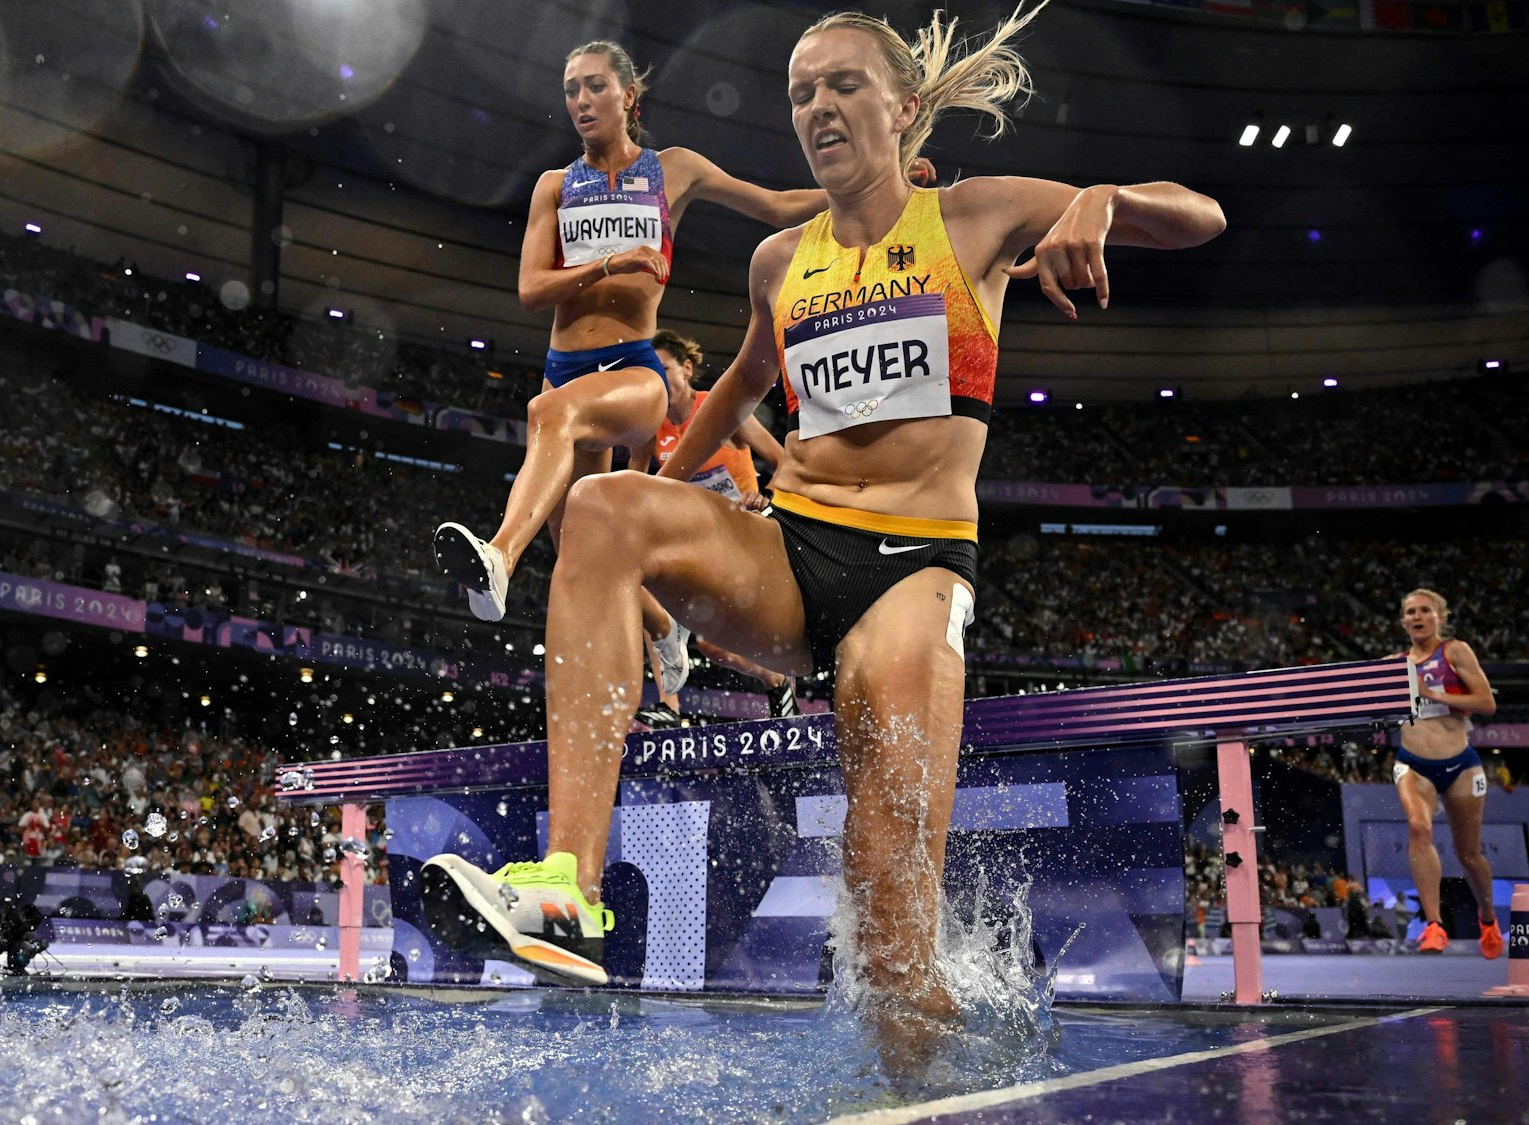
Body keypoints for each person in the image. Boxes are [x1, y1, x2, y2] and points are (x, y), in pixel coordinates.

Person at [421, 2, 1224, 1066]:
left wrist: (1095, 199)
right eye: (800, 92)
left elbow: (1199, 216)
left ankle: (921, 1072)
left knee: (889, 922)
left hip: (913, 568)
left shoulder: (976, 217)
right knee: (598, 510)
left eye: (840, 83)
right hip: (790, 552)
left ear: (901, 106)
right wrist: (651, 517)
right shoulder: (777, 262)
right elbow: (740, 385)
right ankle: (563, 887)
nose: (816, 106)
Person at [432, 39, 829, 632]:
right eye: (571, 89)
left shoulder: (674, 170)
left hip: (632, 369)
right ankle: (665, 634)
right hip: (565, 365)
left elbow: (774, 206)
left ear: (629, 94)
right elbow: (532, 289)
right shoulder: (554, 186)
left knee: (546, 413)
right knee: (580, 548)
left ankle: (500, 556)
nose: (582, 100)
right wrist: (608, 263)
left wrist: (881, 184)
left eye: (595, 85)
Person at [641, 329, 799, 722]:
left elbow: (783, 462)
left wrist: (765, 496)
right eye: (650, 372)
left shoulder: (719, 408)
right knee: (649, 600)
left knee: (714, 647)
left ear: (687, 369)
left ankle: (775, 680)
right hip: (696, 542)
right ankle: (669, 708)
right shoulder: (650, 425)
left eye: (663, 369)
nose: (657, 379)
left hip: (744, 532)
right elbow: (634, 487)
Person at [1389, 587, 1502, 958]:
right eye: (1410, 612)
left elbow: (1486, 703)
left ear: (1440, 616)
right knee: (1419, 828)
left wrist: (1432, 694)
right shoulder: (1395, 663)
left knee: (1468, 852)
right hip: (1412, 762)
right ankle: (1434, 925)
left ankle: (1487, 916)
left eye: (1425, 610)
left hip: (1461, 764)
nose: (1417, 617)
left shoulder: (1455, 651)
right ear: (1403, 620)